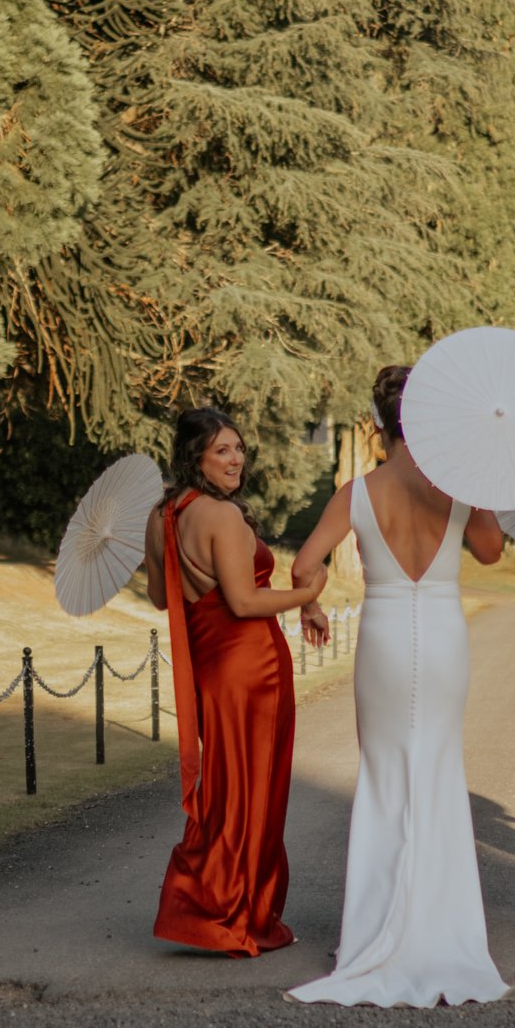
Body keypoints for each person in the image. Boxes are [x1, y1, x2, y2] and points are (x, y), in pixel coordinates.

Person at [286, 363, 509, 1008]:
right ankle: (446, 928)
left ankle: (370, 932)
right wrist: (479, 487)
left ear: (380, 425)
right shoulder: (457, 484)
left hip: (384, 637)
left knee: (384, 774)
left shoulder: (359, 491)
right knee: (437, 768)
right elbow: (492, 552)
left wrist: (311, 605)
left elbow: (306, 563)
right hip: (442, 635)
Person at [144, 403, 324, 956]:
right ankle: (238, 911)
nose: (236, 459)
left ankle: (211, 903)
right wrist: (308, 596)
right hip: (253, 667)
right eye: (223, 449)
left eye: (239, 448)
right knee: (256, 789)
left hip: (210, 668)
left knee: (229, 787)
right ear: (195, 455)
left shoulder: (161, 516)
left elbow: (159, 596)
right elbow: (245, 602)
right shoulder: (222, 517)